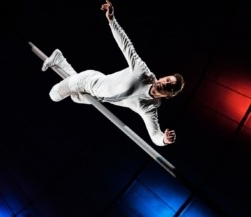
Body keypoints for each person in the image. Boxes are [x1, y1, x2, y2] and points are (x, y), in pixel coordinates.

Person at [41, 0, 185, 146]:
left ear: (170, 95)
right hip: (88, 81)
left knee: (74, 98)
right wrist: (112, 20)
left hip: (95, 98)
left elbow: (155, 135)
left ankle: (59, 59)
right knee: (54, 95)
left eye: (170, 86)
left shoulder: (149, 108)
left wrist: (164, 140)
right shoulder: (142, 72)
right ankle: (59, 61)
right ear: (163, 77)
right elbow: (126, 46)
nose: (165, 83)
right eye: (167, 79)